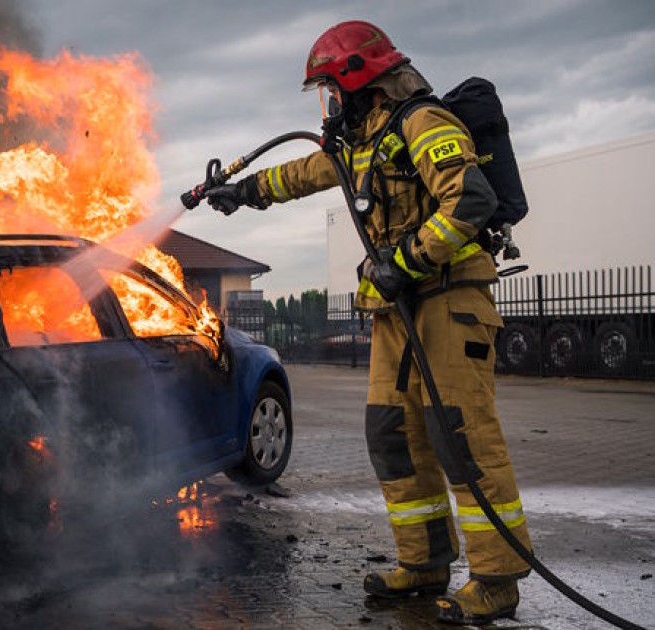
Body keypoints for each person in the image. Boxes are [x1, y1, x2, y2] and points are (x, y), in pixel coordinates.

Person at [205, 21, 532, 625]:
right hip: (395, 311)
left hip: (446, 299)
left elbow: (471, 201)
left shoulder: (421, 123)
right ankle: (426, 561)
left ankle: (496, 578)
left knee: (461, 436)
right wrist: (242, 192)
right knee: (391, 433)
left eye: (330, 88)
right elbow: (302, 174)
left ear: (359, 80)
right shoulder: (362, 141)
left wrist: (405, 259)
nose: (327, 104)